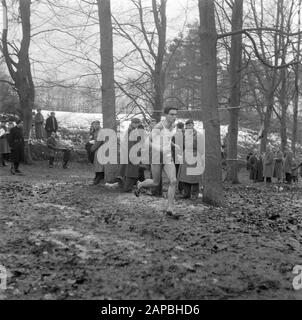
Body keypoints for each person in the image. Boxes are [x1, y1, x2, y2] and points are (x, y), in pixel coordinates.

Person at [134, 106, 179, 218]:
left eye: (175, 114)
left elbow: (166, 139)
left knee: (173, 181)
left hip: (168, 156)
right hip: (157, 156)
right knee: (155, 182)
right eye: (171, 114)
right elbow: (148, 142)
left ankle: (170, 207)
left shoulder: (173, 125)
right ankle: (140, 184)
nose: (174, 117)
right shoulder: (159, 126)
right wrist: (160, 149)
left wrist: (174, 145)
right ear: (166, 115)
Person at [178, 120, 203, 200]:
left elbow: (201, 147)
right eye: (187, 125)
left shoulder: (198, 134)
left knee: (194, 176)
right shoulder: (185, 134)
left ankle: (194, 194)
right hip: (186, 155)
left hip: (195, 155)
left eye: (190, 125)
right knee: (185, 176)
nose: (188, 126)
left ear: (193, 125)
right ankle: (186, 193)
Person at [119, 118, 145, 192]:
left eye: (138, 123)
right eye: (137, 123)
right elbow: (130, 145)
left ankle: (126, 187)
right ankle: (127, 188)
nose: (137, 125)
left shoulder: (131, 130)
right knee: (131, 172)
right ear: (133, 123)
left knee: (129, 171)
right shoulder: (131, 131)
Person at [90, 120, 105, 185]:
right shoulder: (95, 131)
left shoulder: (101, 131)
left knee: (99, 163)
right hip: (97, 148)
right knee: (96, 163)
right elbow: (96, 140)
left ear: (99, 125)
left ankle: (99, 177)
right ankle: (97, 176)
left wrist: (93, 148)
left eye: (96, 125)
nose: (95, 126)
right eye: (94, 125)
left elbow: (100, 141)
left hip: (101, 148)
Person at [172, 122, 184, 192]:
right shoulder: (184, 135)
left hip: (178, 156)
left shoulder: (175, 135)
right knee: (180, 172)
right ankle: (180, 188)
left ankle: (179, 188)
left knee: (177, 172)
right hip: (180, 156)